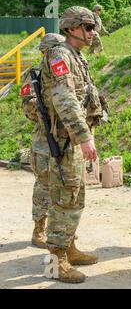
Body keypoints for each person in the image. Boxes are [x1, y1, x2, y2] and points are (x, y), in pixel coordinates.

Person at [41, 6, 99, 284]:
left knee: (76, 197)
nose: (92, 32)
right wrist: (83, 135)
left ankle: (69, 247)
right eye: (88, 27)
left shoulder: (77, 57)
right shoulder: (60, 55)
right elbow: (64, 97)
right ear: (71, 28)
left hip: (73, 139)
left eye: (92, 27)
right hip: (64, 139)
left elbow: (85, 98)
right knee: (63, 200)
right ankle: (56, 261)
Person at [21, 33, 65, 249]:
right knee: (44, 184)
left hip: (65, 138)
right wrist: (47, 111)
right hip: (44, 138)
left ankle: (60, 232)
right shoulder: (34, 75)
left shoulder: (65, 73)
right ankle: (39, 228)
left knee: (65, 185)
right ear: (45, 52)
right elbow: (27, 107)